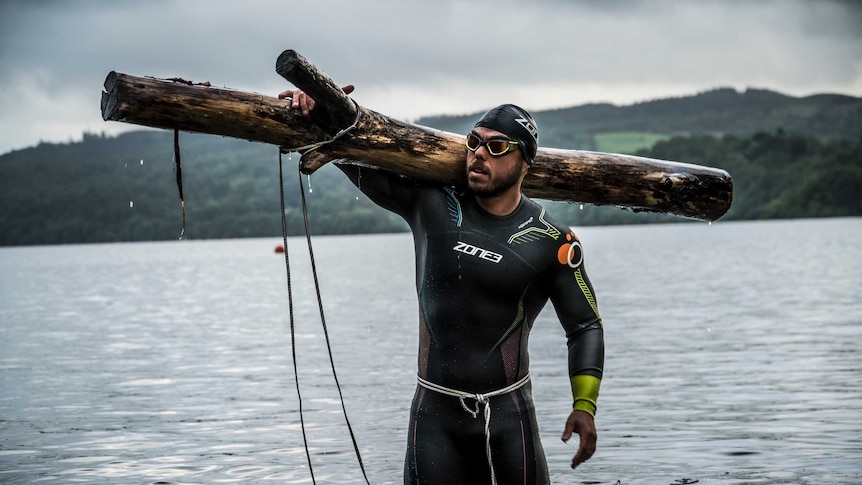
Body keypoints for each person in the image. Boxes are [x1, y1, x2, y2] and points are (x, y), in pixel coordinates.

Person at [279, 86, 604, 485]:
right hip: (434, 419)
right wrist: (318, 110)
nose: (479, 153)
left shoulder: (551, 240)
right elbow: (346, 153)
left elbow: (584, 325)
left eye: (498, 146)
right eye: (474, 142)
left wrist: (584, 406)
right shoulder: (431, 204)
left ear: (525, 163)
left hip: (509, 419)